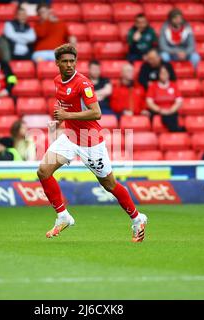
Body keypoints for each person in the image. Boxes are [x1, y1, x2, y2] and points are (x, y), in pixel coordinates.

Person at [37, 44, 148, 242]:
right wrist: (60, 120)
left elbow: (97, 113)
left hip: (90, 141)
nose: (69, 65)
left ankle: (137, 218)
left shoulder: (84, 84)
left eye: (72, 61)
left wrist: (66, 114)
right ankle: (63, 216)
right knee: (43, 171)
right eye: (65, 61)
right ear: (57, 64)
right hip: (70, 136)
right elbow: (64, 104)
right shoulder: (57, 81)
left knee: (109, 184)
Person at [146, 65, 185, 132]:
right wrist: (160, 110)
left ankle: (174, 130)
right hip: (157, 111)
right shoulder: (153, 86)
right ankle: (175, 130)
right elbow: (149, 102)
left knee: (172, 115)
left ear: (168, 74)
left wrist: (171, 110)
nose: (164, 75)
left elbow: (179, 101)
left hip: (171, 110)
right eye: (162, 73)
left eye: (165, 73)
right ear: (159, 74)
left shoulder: (174, 85)